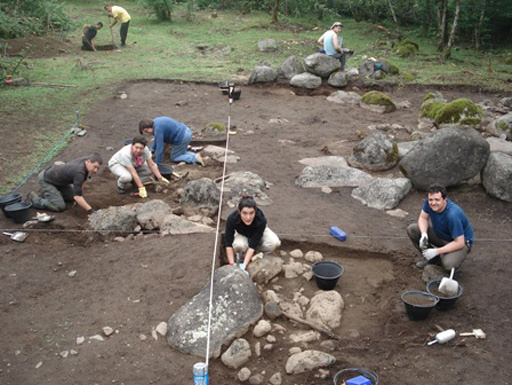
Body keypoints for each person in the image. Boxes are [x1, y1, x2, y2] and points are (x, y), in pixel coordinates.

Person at [407, 183, 474, 271]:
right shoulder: (429, 203)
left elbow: (459, 242)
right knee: (413, 229)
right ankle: (433, 259)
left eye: (437, 200)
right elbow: (423, 218)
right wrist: (424, 234)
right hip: (441, 235)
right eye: (431, 199)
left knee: (448, 264)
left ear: (444, 199)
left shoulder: (453, 215)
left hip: (459, 242)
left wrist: (436, 251)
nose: (433, 203)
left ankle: (453, 262)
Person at [29, 153, 103, 215]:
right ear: (88, 162)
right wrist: (91, 211)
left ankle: (48, 193)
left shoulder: (87, 161)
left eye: (98, 168)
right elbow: (77, 197)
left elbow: (83, 182)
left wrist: (79, 193)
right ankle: (34, 199)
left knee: (71, 196)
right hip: (46, 179)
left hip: (58, 180)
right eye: (95, 167)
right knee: (59, 206)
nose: (96, 170)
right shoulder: (79, 173)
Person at [223, 196, 281, 273]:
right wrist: (231, 265)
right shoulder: (232, 219)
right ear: (239, 212)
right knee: (239, 245)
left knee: (275, 243)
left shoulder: (260, 219)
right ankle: (241, 257)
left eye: (251, 213)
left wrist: (244, 266)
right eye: (245, 213)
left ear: (255, 211)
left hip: (258, 232)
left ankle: (255, 254)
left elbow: (253, 244)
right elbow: (228, 244)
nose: (248, 217)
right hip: (242, 233)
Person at [139, 117, 205, 166]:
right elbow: (157, 139)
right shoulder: (156, 122)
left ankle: (195, 158)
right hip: (185, 131)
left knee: (175, 157)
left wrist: (157, 164)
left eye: (146, 131)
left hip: (182, 137)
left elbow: (159, 148)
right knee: (181, 152)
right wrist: (152, 149)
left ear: (148, 127)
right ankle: (199, 156)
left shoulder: (158, 129)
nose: (147, 133)